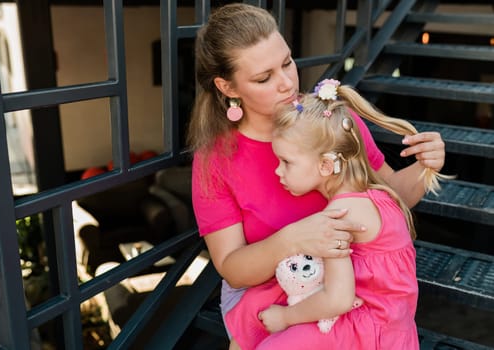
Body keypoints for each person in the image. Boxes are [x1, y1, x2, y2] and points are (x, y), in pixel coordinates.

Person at [187, 3, 446, 349]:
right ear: (228, 87)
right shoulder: (215, 159)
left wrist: (426, 167)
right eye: (264, 78)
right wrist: (294, 239)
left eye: (287, 63)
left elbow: (389, 200)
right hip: (265, 292)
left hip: (346, 290)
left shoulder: (326, 120)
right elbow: (232, 267)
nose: (287, 83)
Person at [224, 79, 452, 349]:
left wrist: (286, 317)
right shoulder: (380, 195)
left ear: (325, 165)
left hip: (366, 332)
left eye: (286, 162)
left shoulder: (339, 215)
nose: (278, 171)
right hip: (395, 332)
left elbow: (339, 299)